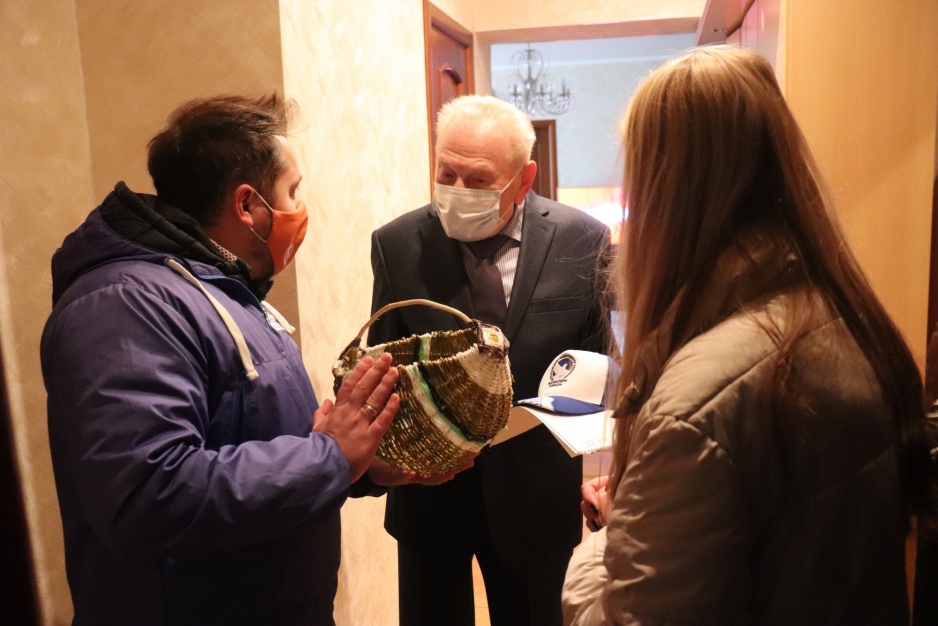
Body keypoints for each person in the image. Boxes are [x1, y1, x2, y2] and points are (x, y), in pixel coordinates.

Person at [40, 94, 456, 626]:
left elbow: (246, 438)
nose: (299, 208)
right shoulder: (126, 305)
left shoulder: (219, 287)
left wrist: (360, 466)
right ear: (247, 205)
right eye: (292, 191)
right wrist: (330, 457)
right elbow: (146, 494)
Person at [563, 46, 936, 626]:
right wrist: (653, 505)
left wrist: (605, 546)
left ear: (664, 195)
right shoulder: (846, 319)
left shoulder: (696, 402)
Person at [369, 95, 610, 626]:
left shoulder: (583, 239)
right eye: (446, 173)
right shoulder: (396, 244)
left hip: (537, 495)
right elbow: (384, 368)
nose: (457, 190)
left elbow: (597, 367)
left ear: (524, 179)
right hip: (429, 496)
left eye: (478, 180)